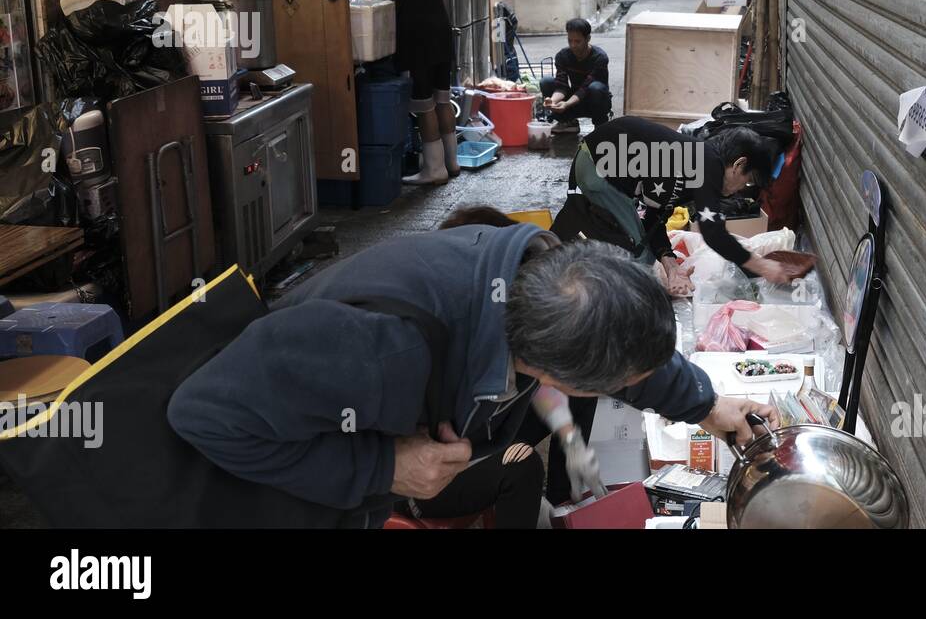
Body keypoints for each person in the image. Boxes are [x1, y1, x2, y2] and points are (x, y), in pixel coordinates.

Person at [167, 222, 775, 529]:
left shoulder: (541, 282)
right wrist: (383, 467)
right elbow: (202, 415)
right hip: (257, 489)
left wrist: (705, 405)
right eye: (619, 382)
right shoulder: (381, 350)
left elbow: (617, 342)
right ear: (562, 379)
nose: (631, 385)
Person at [390, 206, 602, 528]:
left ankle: (564, 508)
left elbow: (536, 378)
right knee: (522, 465)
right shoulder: (435, 324)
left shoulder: (490, 313)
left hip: (472, 438)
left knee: (571, 392)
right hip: (421, 475)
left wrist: (570, 437)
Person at [553, 116, 804, 298]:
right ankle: (632, 319)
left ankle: (551, 258)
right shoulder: (708, 162)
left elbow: (653, 218)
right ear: (738, 164)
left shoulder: (692, 167)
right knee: (636, 256)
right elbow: (713, 233)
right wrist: (763, 266)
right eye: (746, 180)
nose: (740, 189)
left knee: (638, 250)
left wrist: (672, 266)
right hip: (598, 166)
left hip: (594, 166)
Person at [348, 0, 459, 186]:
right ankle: (452, 163)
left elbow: (380, 5)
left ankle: (435, 170)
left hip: (416, 34)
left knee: (424, 104)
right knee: (443, 98)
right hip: (441, 28)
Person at [541, 18, 612, 134]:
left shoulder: (600, 58)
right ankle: (567, 122)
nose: (573, 45)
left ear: (588, 39)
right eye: (570, 41)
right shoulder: (562, 56)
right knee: (546, 82)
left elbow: (585, 88)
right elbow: (561, 86)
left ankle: (600, 126)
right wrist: (552, 101)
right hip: (574, 99)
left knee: (596, 88)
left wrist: (567, 104)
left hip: (594, 100)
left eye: (577, 41)